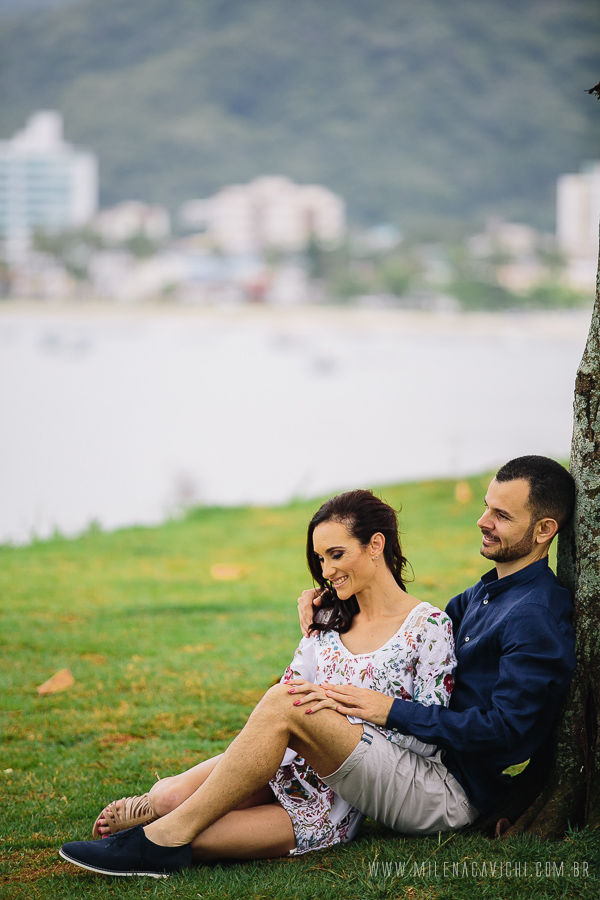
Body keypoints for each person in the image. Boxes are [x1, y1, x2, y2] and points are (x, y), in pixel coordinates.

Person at [59, 455, 576, 878]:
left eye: (502, 516)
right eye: (486, 507)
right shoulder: (482, 596)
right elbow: (406, 641)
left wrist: (387, 711)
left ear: (544, 529)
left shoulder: (535, 615)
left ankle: (160, 839)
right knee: (196, 782)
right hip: (395, 764)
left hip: (446, 788)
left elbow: (510, 733)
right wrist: (334, 609)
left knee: (290, 704)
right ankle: (158, 824)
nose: (483, 521)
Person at [60, 489, 456, 874]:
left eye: (337, 554)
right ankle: (158, 816)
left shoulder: (428, 626)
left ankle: (157, 840)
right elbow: (281, 712)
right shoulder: (327, 622)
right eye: (320, 559)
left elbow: (428, 736)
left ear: (375, 545)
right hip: (286, 767)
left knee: (194, 833)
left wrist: (341, 714)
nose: (327, 570)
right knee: (170, 796)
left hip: (338, 796)